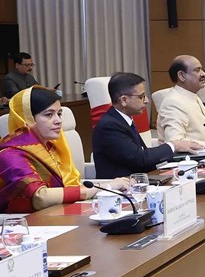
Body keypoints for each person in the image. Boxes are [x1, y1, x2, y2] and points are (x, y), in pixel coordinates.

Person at [0, 87, 128, 212]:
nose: (58, 121)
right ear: (27, 119)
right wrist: (105, 187)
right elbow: (40, 197)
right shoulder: (10, 154)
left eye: (59, 114)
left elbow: (68, 186)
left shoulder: (50, 147)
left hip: (57, 214)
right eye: (49, 115)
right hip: (26, 223)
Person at [92, 72, 205, 179]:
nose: (146, 100)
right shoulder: (110, 126)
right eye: (141, 97)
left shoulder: (123, 119)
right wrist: (173, 145)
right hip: (120, 188)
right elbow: (140, 158)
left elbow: (143, 156)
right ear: (124, 100)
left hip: (139, 181)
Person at [157, 55, 205, 144]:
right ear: (181, 76)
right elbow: (176, 142)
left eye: (201, 69)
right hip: (191, 153)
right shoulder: (173, 103)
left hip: (204, 151)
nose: (203, 73)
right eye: (197, 70)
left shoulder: (192, 95)